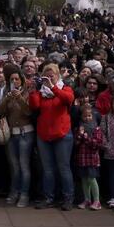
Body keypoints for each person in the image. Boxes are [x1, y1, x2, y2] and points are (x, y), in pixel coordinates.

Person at [29, 63, 75, 211]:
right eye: (46, 76)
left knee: (63, 168)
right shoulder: (42, 92)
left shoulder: (64, 88)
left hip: (62, 133)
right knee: (47, 169)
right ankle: (48, 197)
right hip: (44, 134)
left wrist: (53, 87)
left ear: (57, 76)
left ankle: (68, 198)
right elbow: (34, 106)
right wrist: (34, 90)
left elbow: (68, 100)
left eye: (52, 76)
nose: (49, 79)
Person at [0, 67, 34, 207]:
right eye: (12, 79)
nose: (14, 81)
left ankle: (24, 194)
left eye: (16, 79)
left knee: (24, 166)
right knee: (14, 166)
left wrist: (19, 98)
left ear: (22, 80)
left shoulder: (27, 93)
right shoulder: (7, 93)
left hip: (26, 133)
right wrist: (7, 99)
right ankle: (14, 192)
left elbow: (29, 112)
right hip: (11, 134)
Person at [74, 102, 104, 210]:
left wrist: (86, 138)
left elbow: (97, 144)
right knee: (84, 179)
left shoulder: (96, 129)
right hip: (82, 157)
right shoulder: (80, 128)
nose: (87, 118)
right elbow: (76, 143)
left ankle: (97, 201)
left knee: (92, 178)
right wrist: (79, 135)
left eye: (89, 115)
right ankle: (87, 199)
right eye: (85, 116)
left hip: (92, 158)